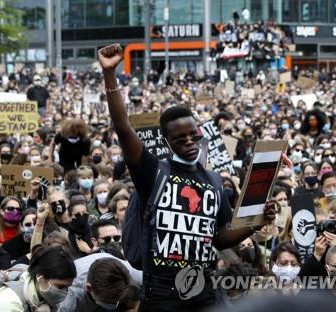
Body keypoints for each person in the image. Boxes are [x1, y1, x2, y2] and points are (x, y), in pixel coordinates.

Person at [97, 43, 276, 311]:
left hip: (203, 290)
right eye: (181, 138)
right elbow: (123, 128)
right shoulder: (153, 171)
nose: (190, 142)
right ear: (167, 142)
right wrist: (110, 74)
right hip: (160, 293)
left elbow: (220, 237)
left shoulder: (214, 181)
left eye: (194, 135)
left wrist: (255, 222)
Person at [0, 246, 77, 311]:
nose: (65, 293)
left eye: (67, 287)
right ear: (40, 278)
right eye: (60, 287)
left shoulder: (44, 298)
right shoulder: (10, 303)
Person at [59, 257, 142, 312]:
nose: (114, 305)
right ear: (89, 288)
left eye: (116, 300)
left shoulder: (127, 270)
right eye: (108, 302)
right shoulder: (69, 297)